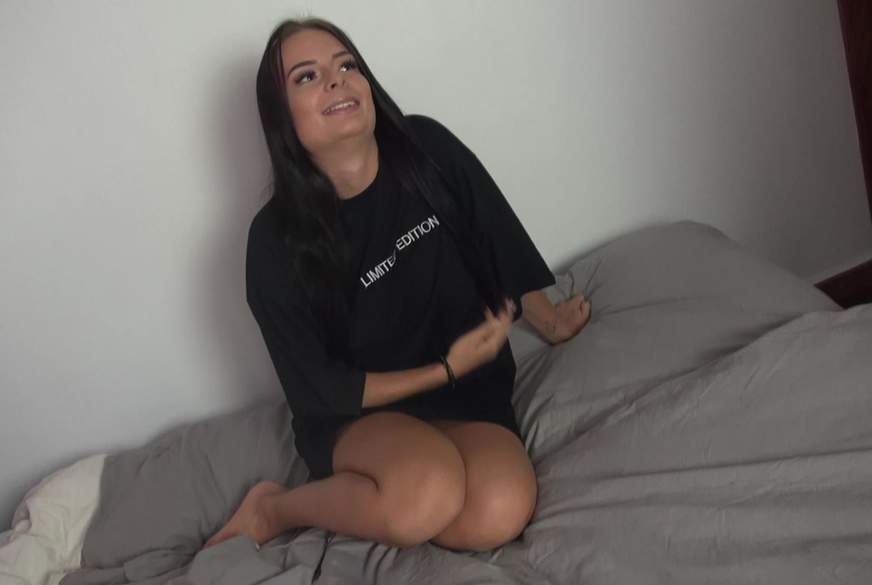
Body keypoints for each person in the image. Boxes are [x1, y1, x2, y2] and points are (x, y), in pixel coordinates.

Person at [206, 17, 592, 553]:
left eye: (346, 65)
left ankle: (398, 492)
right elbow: (320, 388)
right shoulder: (273, 242)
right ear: (281, 117)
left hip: (469, 392)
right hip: (362, 416)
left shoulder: (426, 147)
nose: (337, 80)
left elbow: (497, 235)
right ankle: (274, 508)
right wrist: (446, 367)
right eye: (306, 77)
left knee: (499, 512)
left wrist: (549, 321)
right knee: (426, 492)